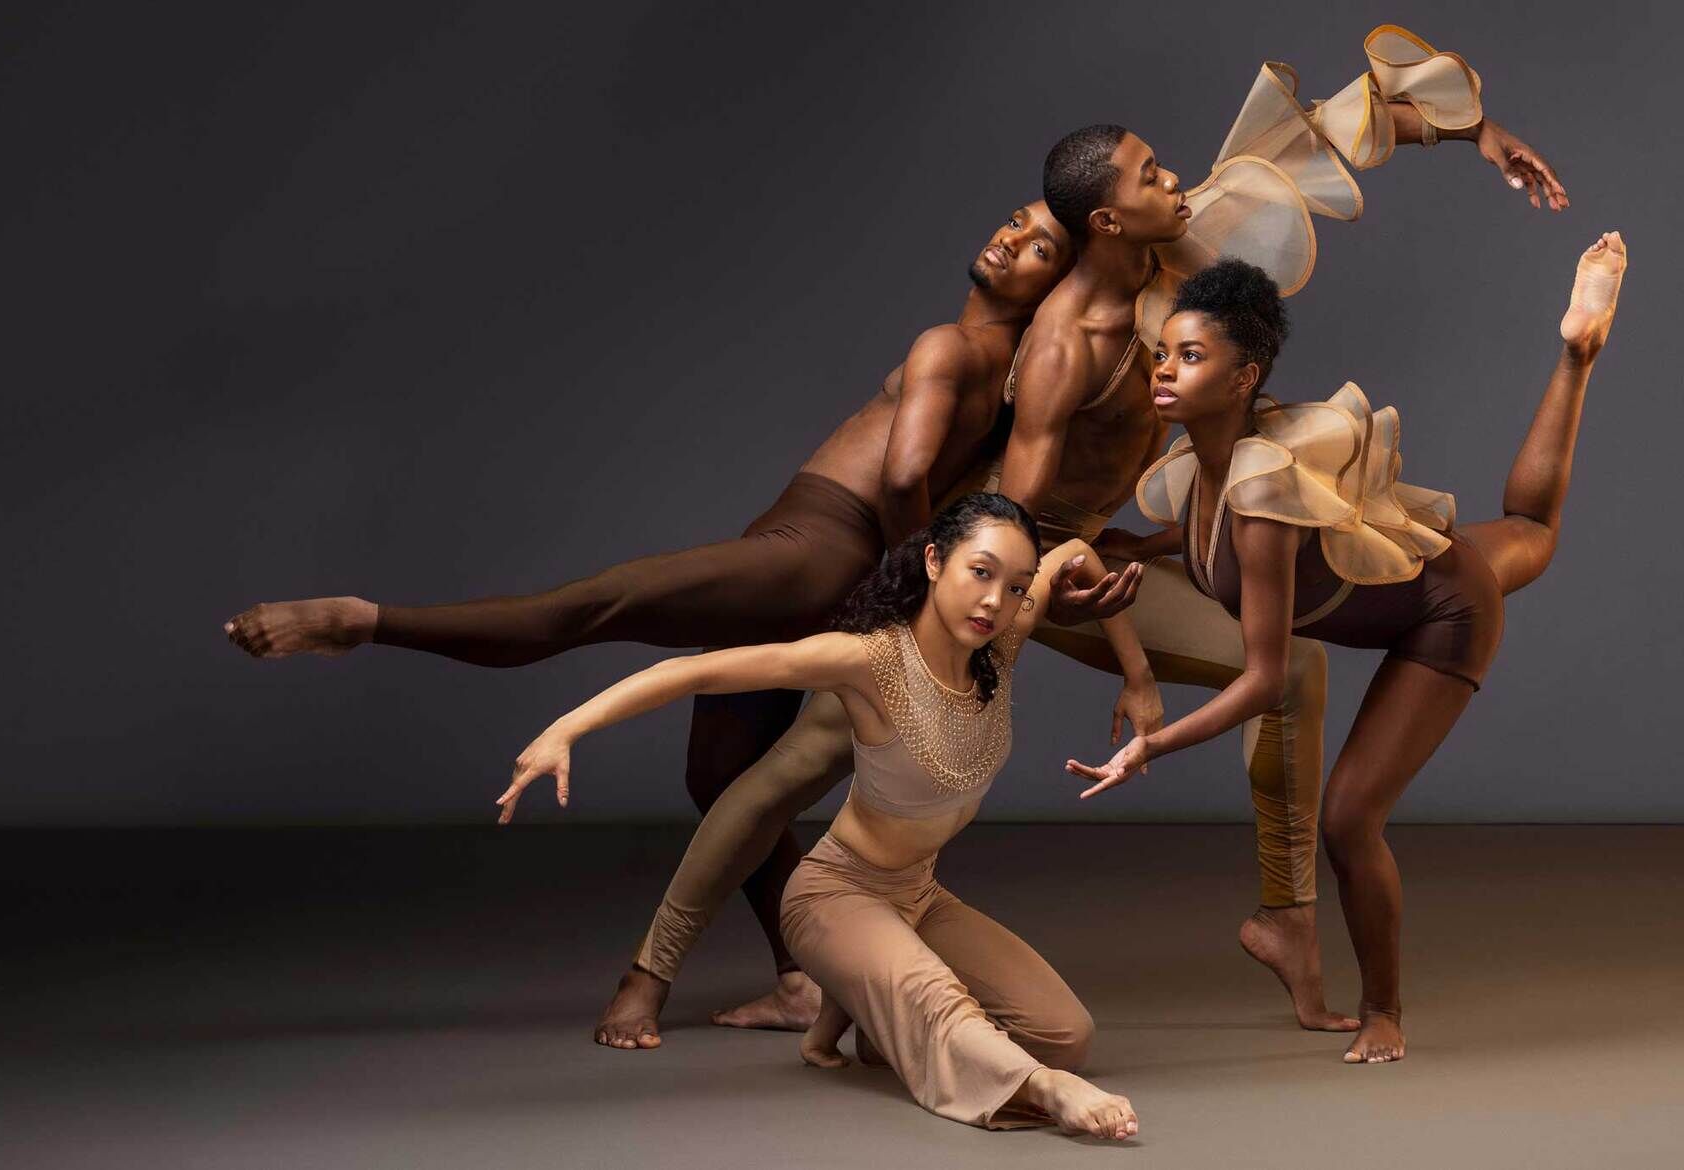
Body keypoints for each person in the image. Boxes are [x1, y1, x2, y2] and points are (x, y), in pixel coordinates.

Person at [601, 24, 1574, 1048]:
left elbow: (1334, 130)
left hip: (1099, 558)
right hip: (1015, 574)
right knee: (805, 758)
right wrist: (1040, 620)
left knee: (1288, 673)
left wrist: (1477, 136)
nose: (1179, 184)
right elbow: (1012, 518)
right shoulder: (1064, 351)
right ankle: (646, 976)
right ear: (1111, 218)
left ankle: (1284, 920)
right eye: (1152, 175)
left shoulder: (1177, 243)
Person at [227, 206, 1142, 1031]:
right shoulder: (1008, 383)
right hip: (820, 556)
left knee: (597, 605)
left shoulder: (952, 346)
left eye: (1039, 252)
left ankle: (366, 621)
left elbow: (904, 477)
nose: (1010, 242)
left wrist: (909, 584)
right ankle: (800, 978)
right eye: (1017, 224)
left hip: (814, 550)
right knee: (721, 776)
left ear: (1049, 289)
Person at [1066, 236, 1626, 1065]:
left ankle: (1384, 1010)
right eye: (1162, 354)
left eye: (1190, 356)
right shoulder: (1200, 464)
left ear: (1243, 379)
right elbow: (1208, 539)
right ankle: (1578, 351)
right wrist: (1140, 551)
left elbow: (1263, 680)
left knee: (1350, 819)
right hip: (1418, 556)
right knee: (1532, 530)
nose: (1164, 370)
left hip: (1443, 612)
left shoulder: (1259, 499)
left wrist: (1155, 742)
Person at [499, 493, 1151, 1138]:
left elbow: (1079, 554)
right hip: (834, 896)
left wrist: (1139, 676)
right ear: (933, 562)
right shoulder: (869, 663)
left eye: (1013, 586)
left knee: (1066, 1033)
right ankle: (1036, 1084)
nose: (994, 601)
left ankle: (866, 1010)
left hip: (918, 895)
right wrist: (568, 727)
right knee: (948, 1008)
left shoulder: (1000, 642)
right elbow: (697, 674)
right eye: (979, 573)